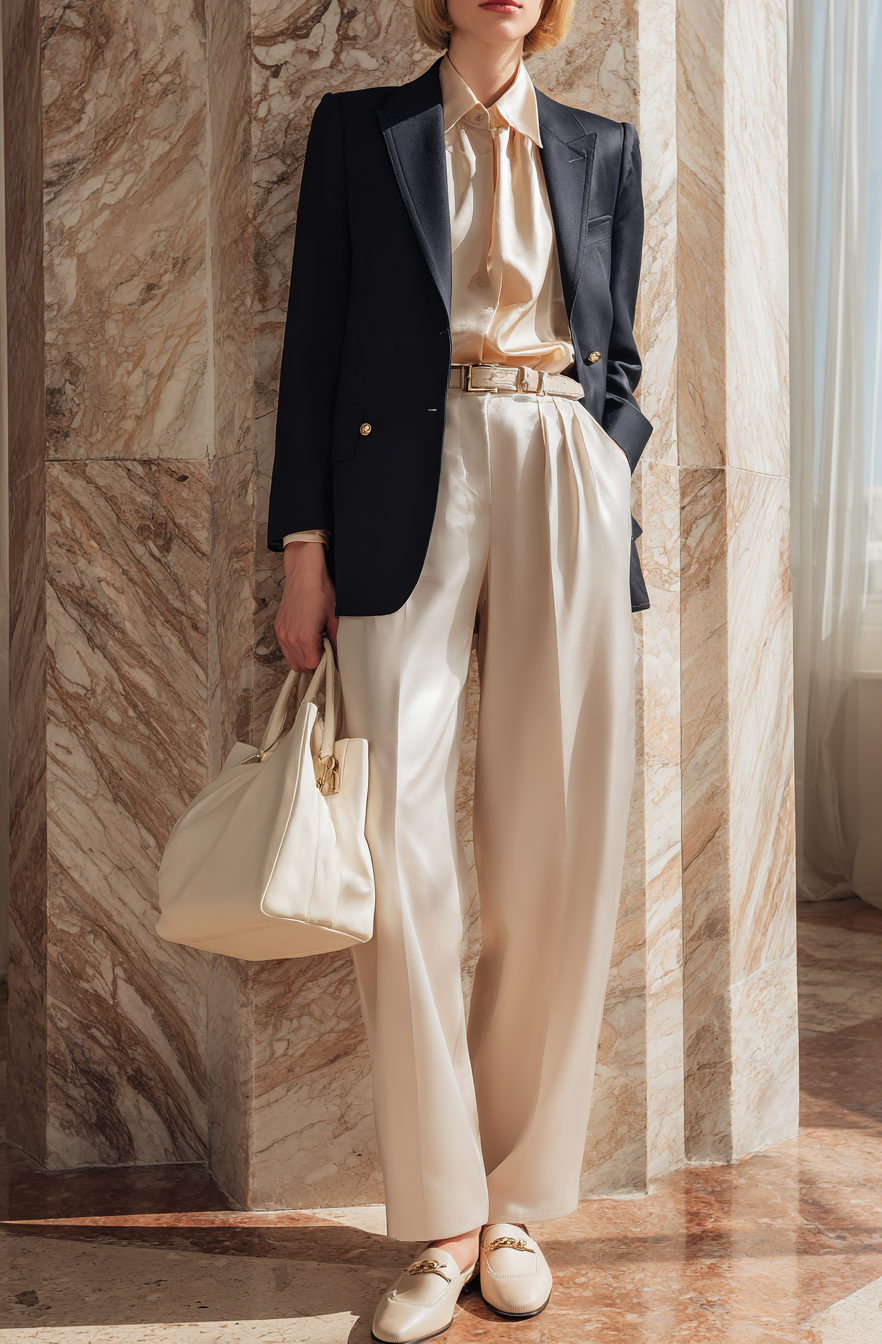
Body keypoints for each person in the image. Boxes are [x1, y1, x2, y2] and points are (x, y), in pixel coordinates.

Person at [268, 0, 652, 1337]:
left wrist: (610, 459)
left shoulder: (602, 149)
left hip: (563, 467)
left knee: (558, 839)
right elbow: (312, 343)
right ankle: (440, 1218)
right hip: (398, 488)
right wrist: (300, 545)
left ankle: (520, 1204)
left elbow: (624, 344)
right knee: (397, 835)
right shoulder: (360, 133)